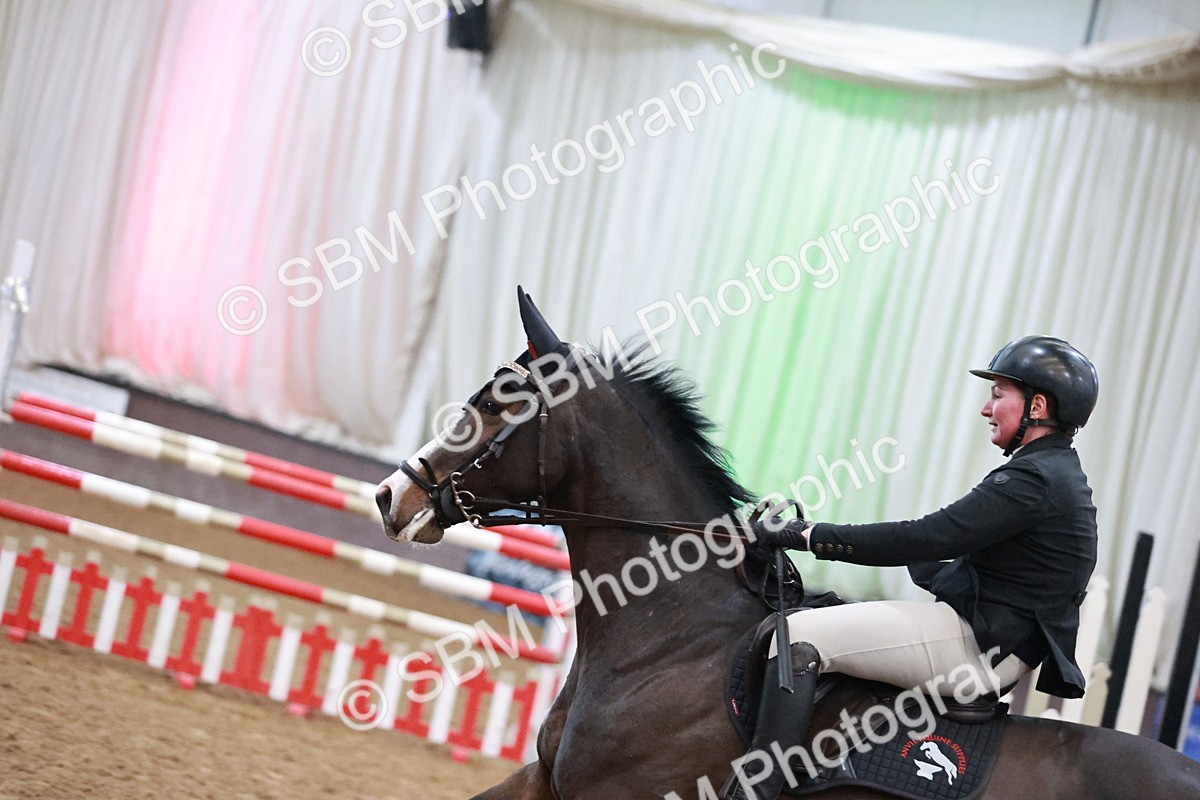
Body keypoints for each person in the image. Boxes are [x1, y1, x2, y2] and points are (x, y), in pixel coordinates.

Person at [721, 335, 1100, 800]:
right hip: (994, 637)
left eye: (999, 395)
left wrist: (806, 535)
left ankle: (757, 790)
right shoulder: (1053, 470)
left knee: (799, 637)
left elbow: (925, 535)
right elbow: (938, 545)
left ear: (1037, 406)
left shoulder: (1034, 478)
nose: (986, 408)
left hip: (981, 649)